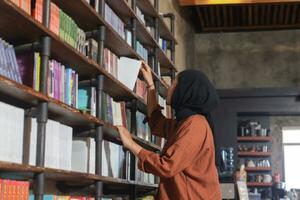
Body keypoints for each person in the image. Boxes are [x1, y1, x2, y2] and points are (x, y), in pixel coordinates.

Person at [117, 62, 221, 200]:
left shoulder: (195, 125)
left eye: (173, 84)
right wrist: (150, 86)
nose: (168, 87)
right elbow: (157, 123)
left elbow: (167, 166)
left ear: (184, 90)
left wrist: (131, 145)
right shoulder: (185, 123)